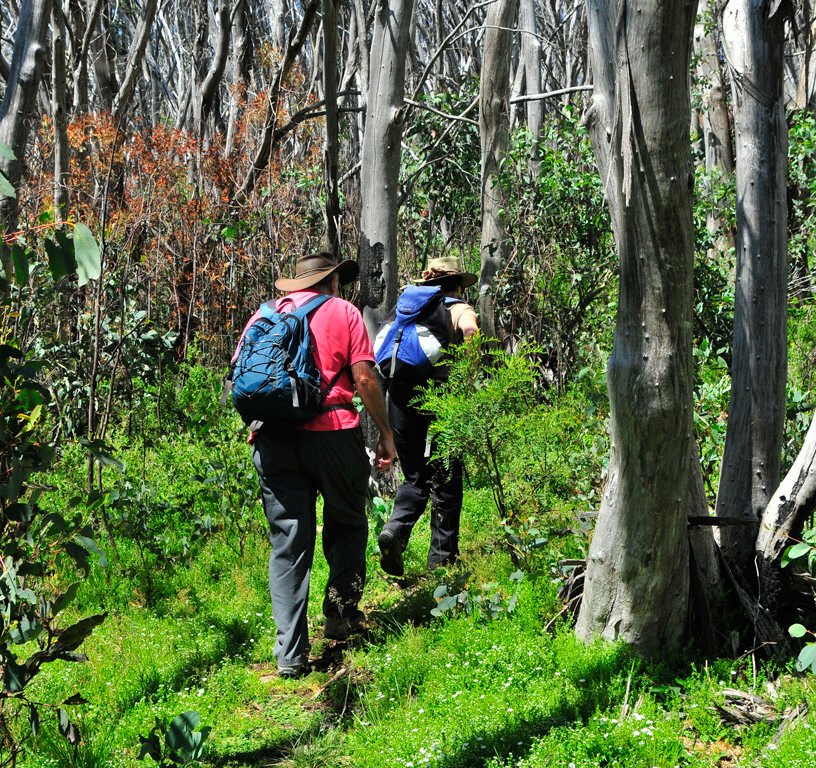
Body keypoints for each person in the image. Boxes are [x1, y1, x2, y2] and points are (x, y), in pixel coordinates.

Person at [236, 252, 396, 679]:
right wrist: (386, 432)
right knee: (346, 522)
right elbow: (364, 378)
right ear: (331, 281)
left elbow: (240, 376)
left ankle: (289, 655)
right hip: (332, 433)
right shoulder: (343, 312)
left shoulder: (262, 314)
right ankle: (341, 616)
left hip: (272, 438)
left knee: (289, 543)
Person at [377, 256, 479, 576]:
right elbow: (471, 330)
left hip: (399, 398)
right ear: (458, 284)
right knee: (446, 478)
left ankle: (395, 528)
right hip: (436, 398)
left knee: (415, 477)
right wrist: (468, 374)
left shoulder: (411, 305)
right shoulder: (456, 306)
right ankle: (442, 565)